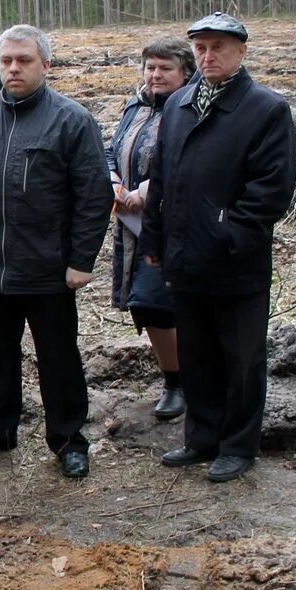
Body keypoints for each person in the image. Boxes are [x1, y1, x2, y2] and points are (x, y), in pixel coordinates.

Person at [0, 24, 112, 480]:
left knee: (57, 357)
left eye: (24, 60)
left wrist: (82, 260)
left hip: (48, 268)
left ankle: (68, 440)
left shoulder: (71, 120)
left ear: (46, 65)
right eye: (6, 61)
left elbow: (94, 195)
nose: (14, 69)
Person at [141, 13, 296, 483]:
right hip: (185, 256)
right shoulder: (180, 104)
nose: (209, 56)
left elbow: (271, 190)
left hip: (235, 261)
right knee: (198, 353)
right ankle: (201, 437)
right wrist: (154, 236)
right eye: (202, 48)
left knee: (241, 357)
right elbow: (161, 178)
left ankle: (237, 445)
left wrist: (230, 235)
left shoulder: (266, 110)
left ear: (241, 52)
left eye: (219, 48)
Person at [107, 36, 196, 420]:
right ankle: (181, 377)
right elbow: (114, 148)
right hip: (131, 223)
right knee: (146, 306)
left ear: (185, 73)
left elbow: (186, 158)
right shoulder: (136, 104)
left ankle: (180, 383)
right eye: (150, 67)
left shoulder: (191, 108)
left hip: (175, 223)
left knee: (155, 302)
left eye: (165, 68)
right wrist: (113, 183)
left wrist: (145, 192)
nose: (156, 75)